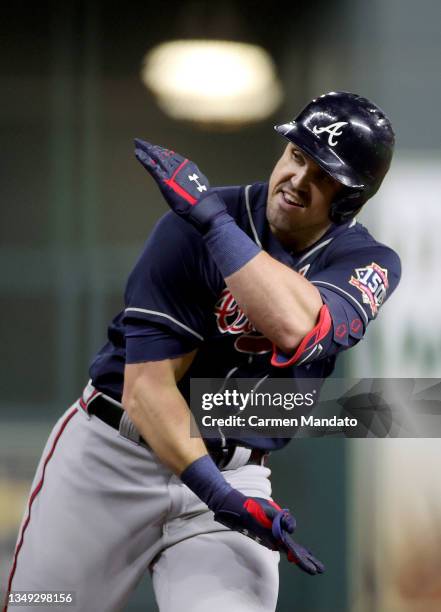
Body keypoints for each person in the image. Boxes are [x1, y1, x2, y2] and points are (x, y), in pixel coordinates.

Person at [4, 91, 401, 612]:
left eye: (324, 176)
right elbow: (146, 392)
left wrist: (217, 228)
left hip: (235, 471)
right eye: (297, 156)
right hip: (111, 456)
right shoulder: (184, 224)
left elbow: (296, 327)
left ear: (351, 199)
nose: (299, 180)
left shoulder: (366, 260)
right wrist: (219, 495)